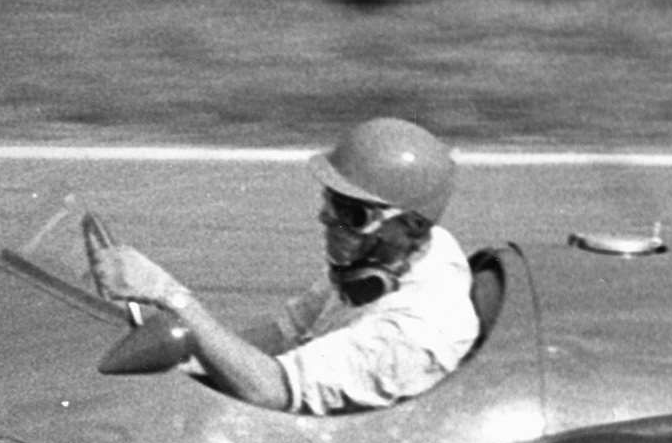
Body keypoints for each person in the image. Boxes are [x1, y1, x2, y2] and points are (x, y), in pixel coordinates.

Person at [90, 117, 481, 415]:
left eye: (351, 212)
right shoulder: (388, 260)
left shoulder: (412, 337)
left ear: (410, 225)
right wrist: (194, 364)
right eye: (331, 200)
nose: (326, 219)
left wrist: (170, 296)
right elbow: (284, 332)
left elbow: (273, 390)